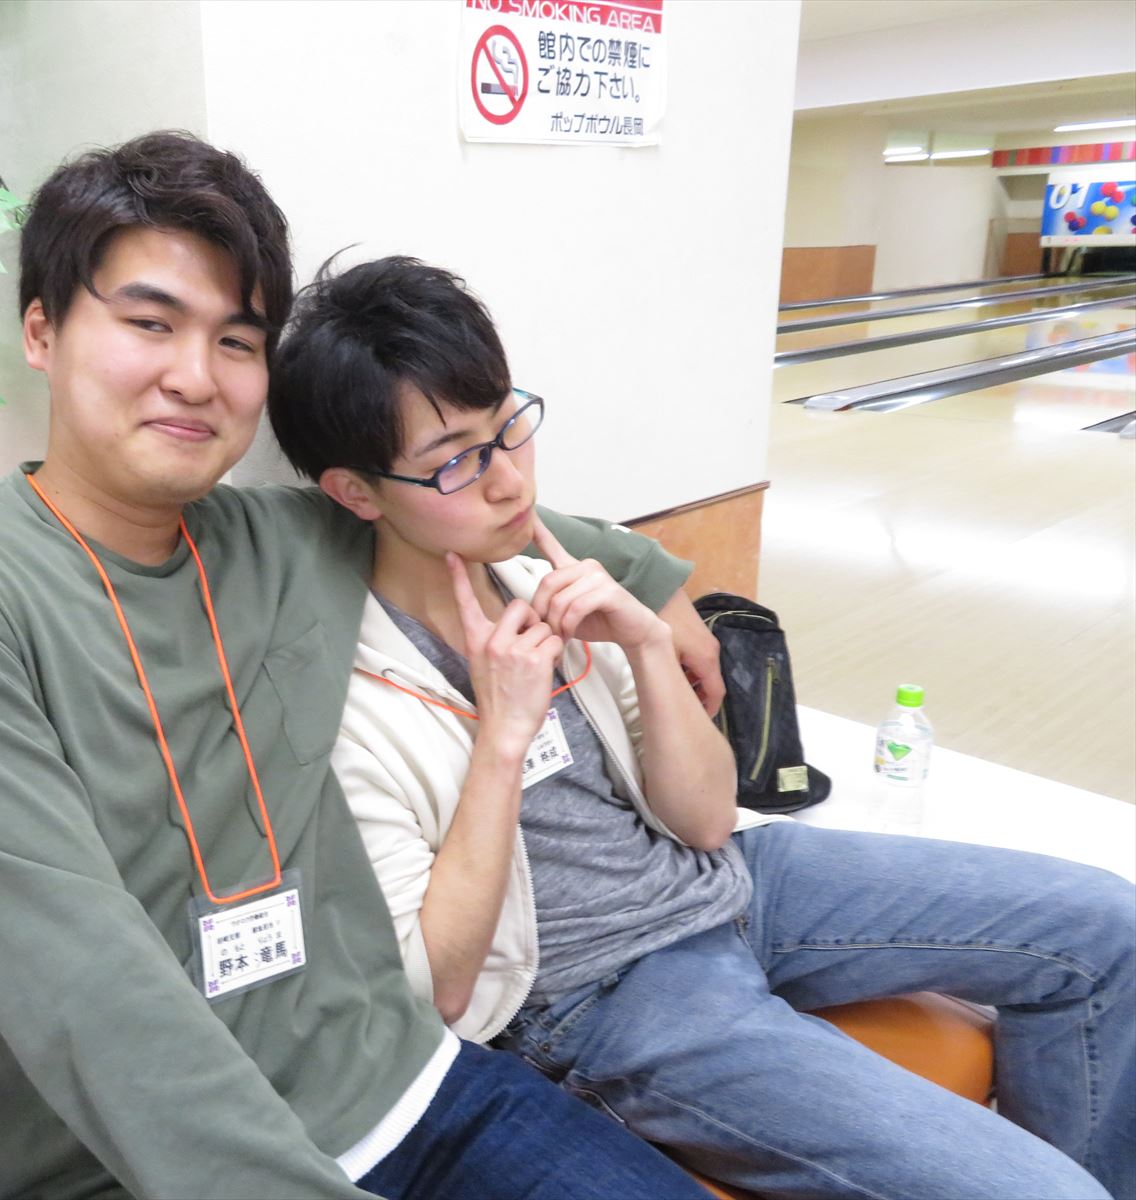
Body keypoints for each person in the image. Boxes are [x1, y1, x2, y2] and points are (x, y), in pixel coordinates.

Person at [0, 132, 718, 1199]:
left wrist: (659, 588)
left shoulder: (279, 541)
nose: (194, 377)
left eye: (237, 341)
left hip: (412, 1086)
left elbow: (460, 500)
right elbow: (84, 994)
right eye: (150, 323)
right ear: (42, 330)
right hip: (131, 1172)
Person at [267, 254, 1136, 1200]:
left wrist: (646, 644)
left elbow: (709, 820)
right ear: (357, 493)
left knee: (1107, 925)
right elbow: (438, 988)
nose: (510, 480)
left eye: (508, 427)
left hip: (736, 880)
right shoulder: (345, 697)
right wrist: (503, 737)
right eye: (457, 460)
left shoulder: (538, 578)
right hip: (608, 987)